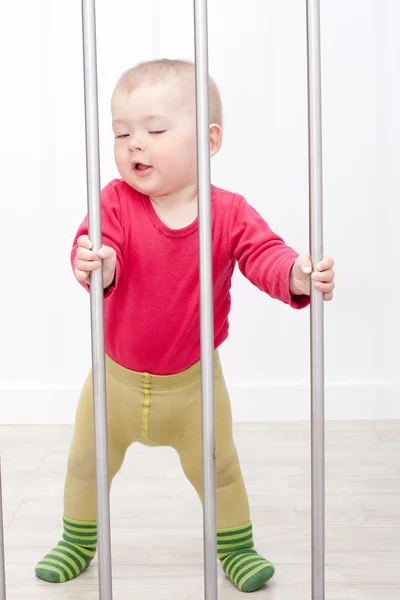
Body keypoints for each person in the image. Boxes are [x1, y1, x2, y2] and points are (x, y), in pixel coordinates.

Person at [35, 59, 335, 593]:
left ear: (209, 140)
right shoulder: (114, 203)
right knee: (85, 463)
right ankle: (77, 539)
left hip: (195, 387)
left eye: (154, 130)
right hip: (114, 383)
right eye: (121, 132)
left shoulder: (228, 212)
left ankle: (236, 545)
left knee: (221, 469)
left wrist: (295, 274)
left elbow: (263, 254)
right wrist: (94, 263)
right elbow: (100, 248)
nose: (134, 144)